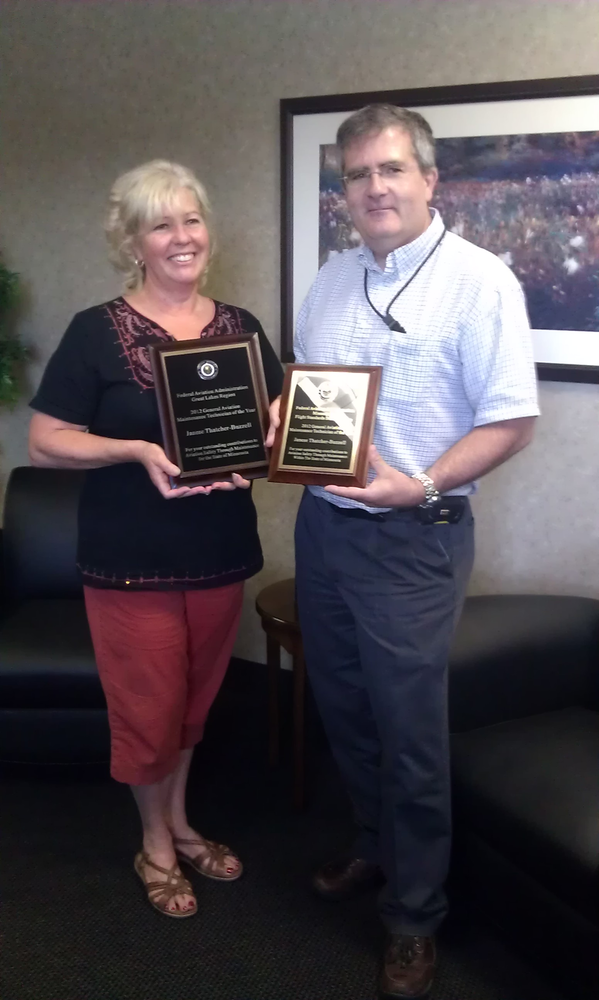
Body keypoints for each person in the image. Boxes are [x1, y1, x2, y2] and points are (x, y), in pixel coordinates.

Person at [266, 105, 539, 998]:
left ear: (430, 179)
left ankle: (415, 915)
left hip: (415, 538)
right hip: (326, 529)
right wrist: (285, 423)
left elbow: (510, 421)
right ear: (342, 191)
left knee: (411, 736)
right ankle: (376, 852)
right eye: (357, 175)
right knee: (345, 713)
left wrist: (415, 484)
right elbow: (316, 398)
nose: (373, 187)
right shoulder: (330, 279)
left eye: (391, 169)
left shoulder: (480, 280)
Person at [29, 160, 283, 919]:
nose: (182, 237)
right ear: (134, 241)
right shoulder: (94, 331)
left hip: (216, 552)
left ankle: (179, 819)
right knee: (149, 706)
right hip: (128, 558)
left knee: (193, 705)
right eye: (161, 223)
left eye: (192, 219)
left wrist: (265, 455)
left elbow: (270, 429)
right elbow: (46, 440)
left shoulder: (241, 327)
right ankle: (155, 844)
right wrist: (134, 451)